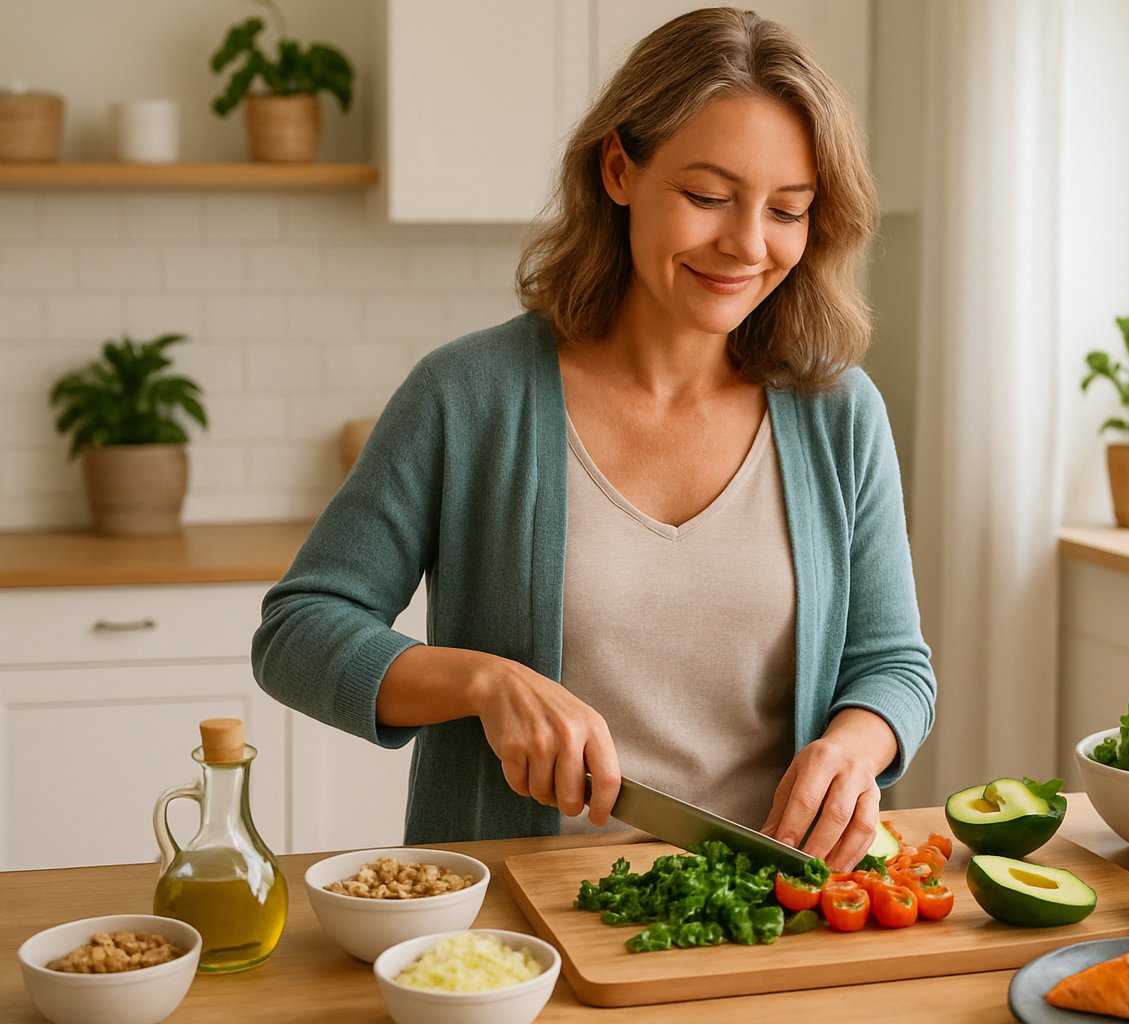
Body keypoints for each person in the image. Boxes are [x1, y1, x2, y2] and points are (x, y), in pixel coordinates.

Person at [252, 7, 935, 872]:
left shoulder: (840, 413)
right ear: (619, 168)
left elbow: (893, 667)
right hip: (513, 927)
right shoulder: (469, 396)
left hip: (767, 910)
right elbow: (299, 633)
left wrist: (854, 747)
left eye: (787, 211)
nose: (747, 244)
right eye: (708, 196)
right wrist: (482, 681)